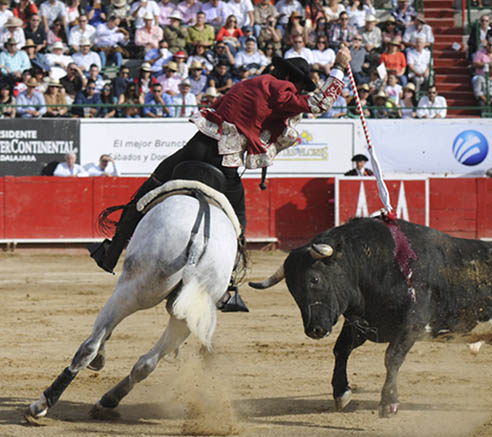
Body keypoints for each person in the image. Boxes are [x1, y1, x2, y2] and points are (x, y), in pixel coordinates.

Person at [88, 48, 351, 304]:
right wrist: (338, 67)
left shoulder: (249, 82)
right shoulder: (282, 89)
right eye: (299, 85)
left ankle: (112, 250)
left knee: (148, 190)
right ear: (292, 79)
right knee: (238, 221)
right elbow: (320, 103)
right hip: (223, 160)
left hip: (195, 147)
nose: (298, 91)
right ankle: (231, 283)